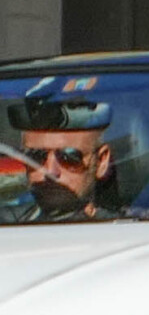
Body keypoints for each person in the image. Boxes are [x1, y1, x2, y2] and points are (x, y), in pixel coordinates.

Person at [3, 92, 127, 221]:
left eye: (69, 157)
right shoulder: (8, 225)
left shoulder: (132, 229)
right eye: (36, 156)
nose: (50, 171)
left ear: (102, 162)